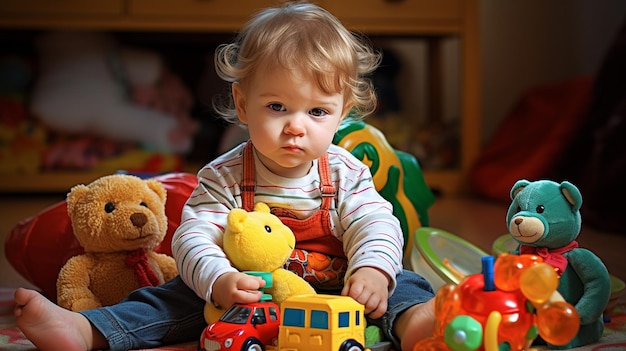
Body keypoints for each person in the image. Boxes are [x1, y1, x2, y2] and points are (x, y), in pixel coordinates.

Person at [13, 2, 436, 351]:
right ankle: (89, 331)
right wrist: (219, 280)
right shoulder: (226, 175)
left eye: (317, 112)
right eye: (277, 107)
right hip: (249, 297)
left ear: (343, 113)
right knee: (170, 298)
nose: (296, 126)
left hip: (339, 288)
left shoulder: (346, 172)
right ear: (242, 101)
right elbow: (193, 236)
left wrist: (372, 271)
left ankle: (416, 323)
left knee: (405, 283)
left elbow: (375, 222)